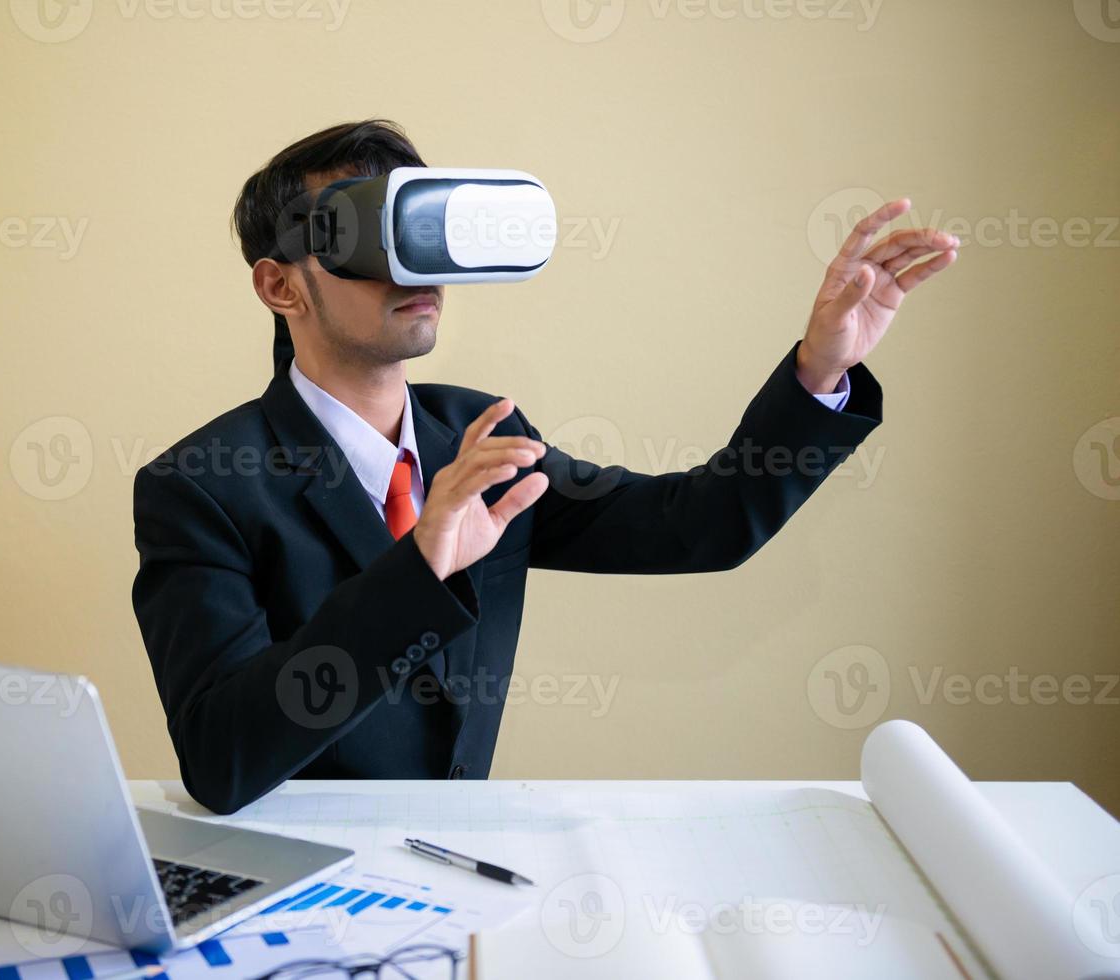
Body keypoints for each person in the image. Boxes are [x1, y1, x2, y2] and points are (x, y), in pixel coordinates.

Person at [131, 119, 959, 815]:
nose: (417, 268)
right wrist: (420, 563)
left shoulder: (481, 436)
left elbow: (697, 526)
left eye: (420, 228)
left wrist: (819, 372)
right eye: (367, 232)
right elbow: (220, 759)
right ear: (281, 286)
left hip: (462, 863)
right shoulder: (203, 484)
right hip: (295, 888)